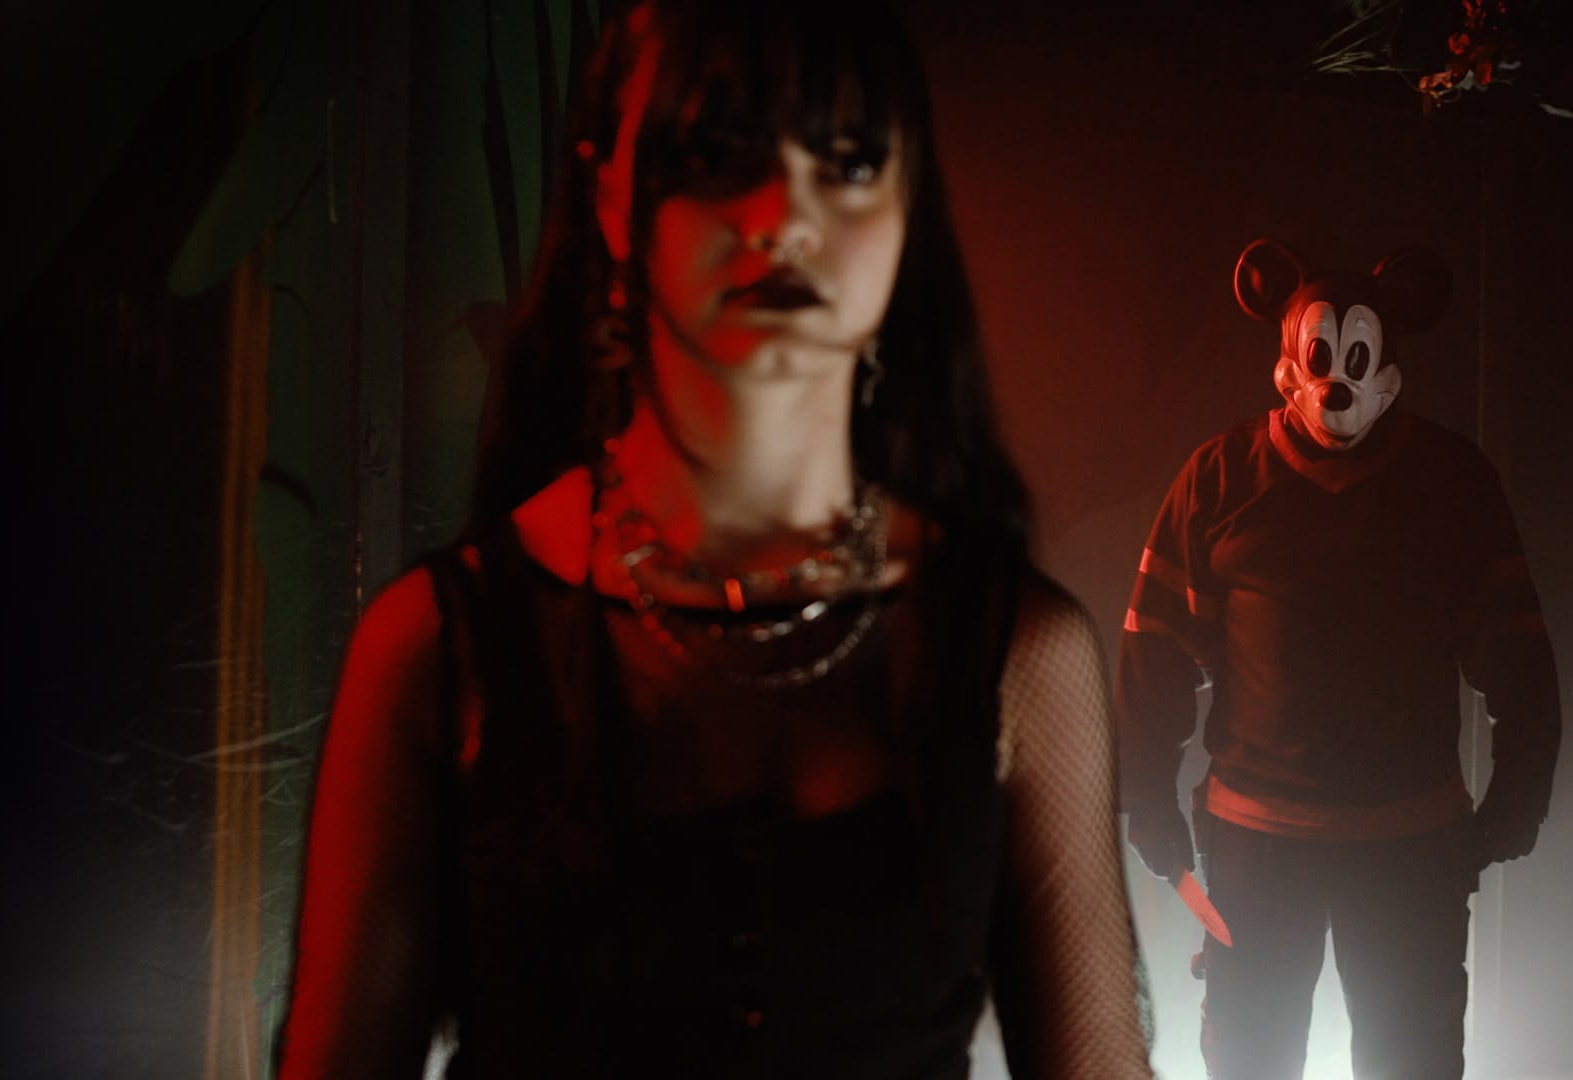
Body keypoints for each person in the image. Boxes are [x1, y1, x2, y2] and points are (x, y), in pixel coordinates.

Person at [278, 2, 1153, 1076]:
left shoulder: (1015, 651)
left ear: (907, 205)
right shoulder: (438, 647)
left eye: (848, 162)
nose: (786, 215)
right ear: (609, 192)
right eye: (716, 152)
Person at [1116, 239, 1562, 1080]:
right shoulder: (1219, 479)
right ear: (1290, 360)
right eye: (1320, 358)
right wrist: (1146, 802)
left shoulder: (1454, 482)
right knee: (1249, 1059)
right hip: (1255, 848)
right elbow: (1156, 649)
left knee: (1413, 1060)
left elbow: (1517, 652)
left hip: (1412, 846)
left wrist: (1518, 797)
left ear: (1388, 363)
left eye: (1354, 360)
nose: (1336, 384)